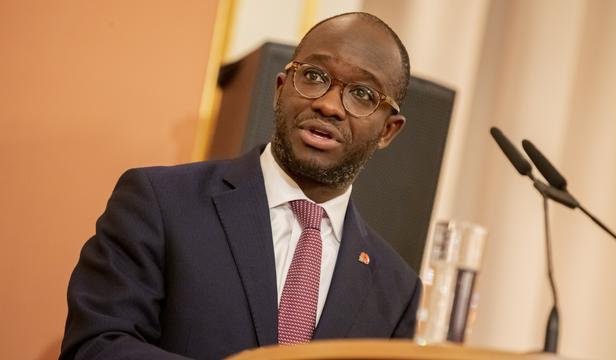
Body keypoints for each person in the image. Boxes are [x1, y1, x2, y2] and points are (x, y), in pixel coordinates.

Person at [60, 12, 420, 360]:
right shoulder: (159, 202)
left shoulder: (397, 289)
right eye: (313, 75)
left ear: (388, 130)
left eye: (362, 95)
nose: (328, 105)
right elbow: (94, 347)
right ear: (280, 90)